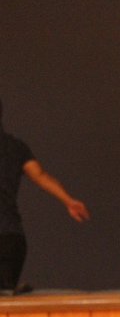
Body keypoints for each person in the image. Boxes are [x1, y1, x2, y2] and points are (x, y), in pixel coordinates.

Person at [0, 98, 90, 291]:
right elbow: (41, 176)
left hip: (8, 237)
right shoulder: (16, 147)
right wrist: (69, 200)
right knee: (5, 298)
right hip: (11, 239)